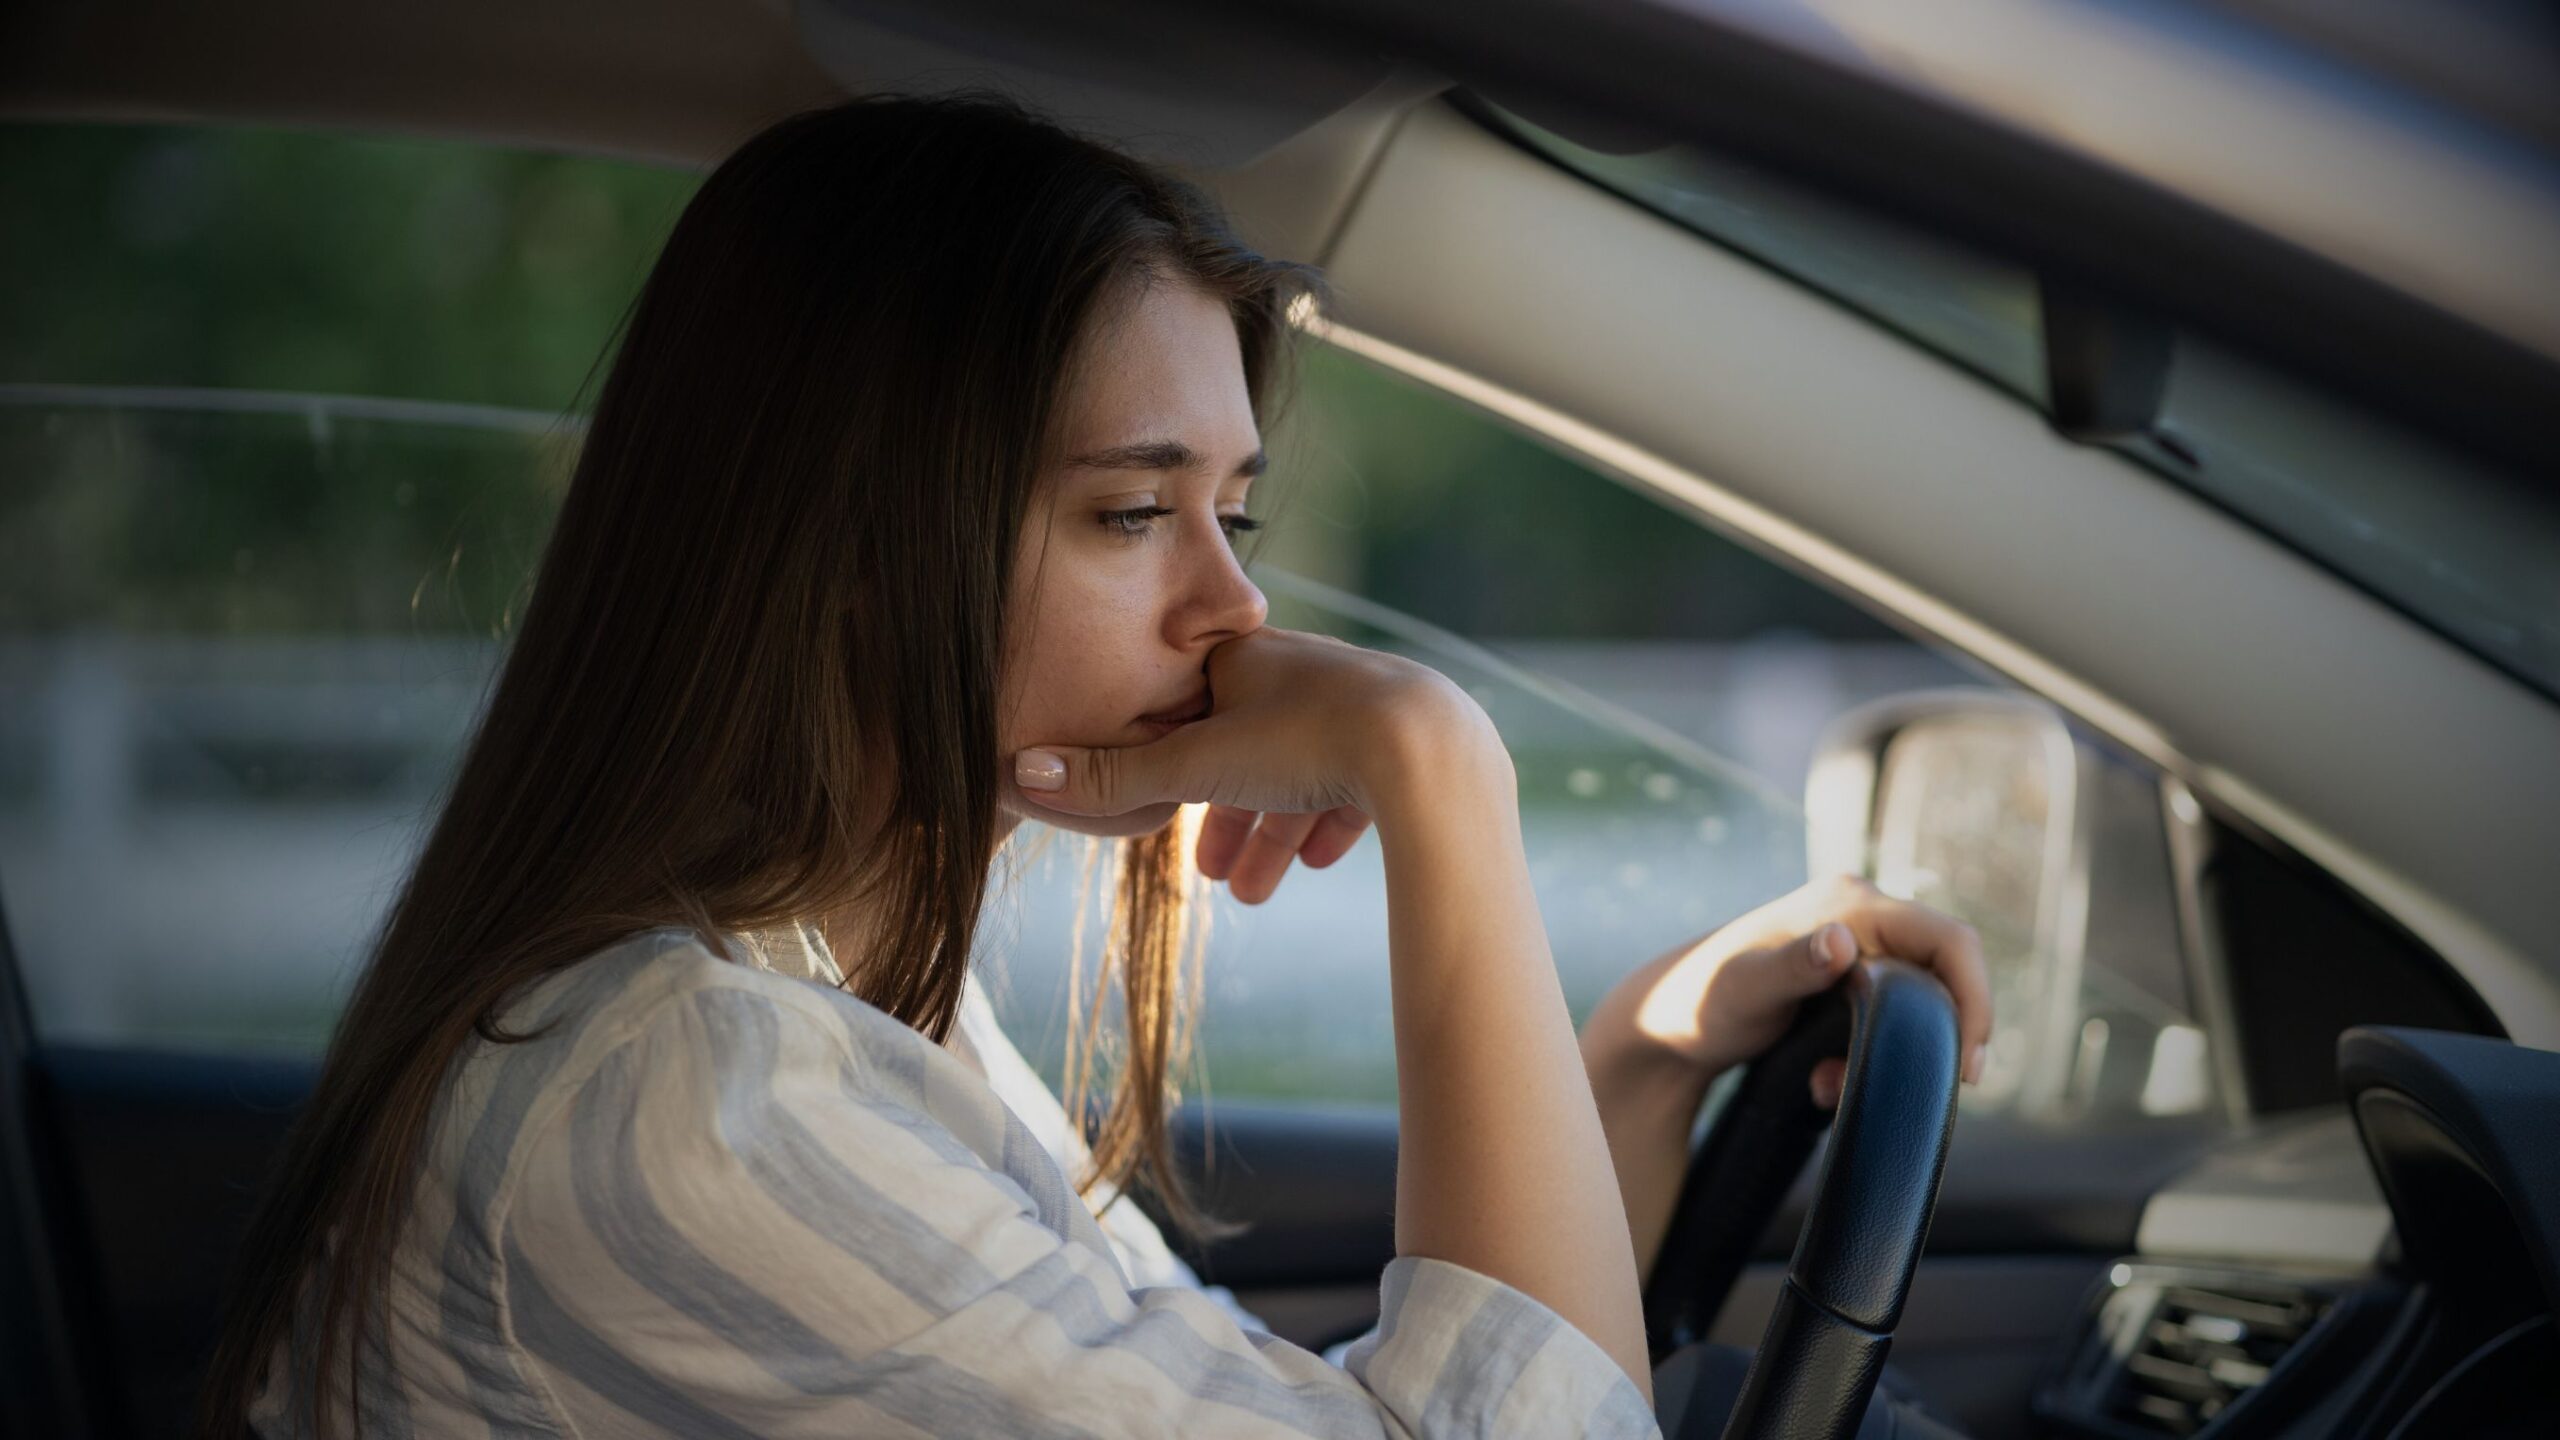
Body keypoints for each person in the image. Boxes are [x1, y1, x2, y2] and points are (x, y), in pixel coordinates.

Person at [197, 92, 1992, 1439]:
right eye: (1134, 511)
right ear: (846, 543)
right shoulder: (690, 1101)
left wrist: (1637, 1057)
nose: (1234, 607)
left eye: (1231, 509)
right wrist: (1436, 769)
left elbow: (1323, 1401)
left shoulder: (824, 995)